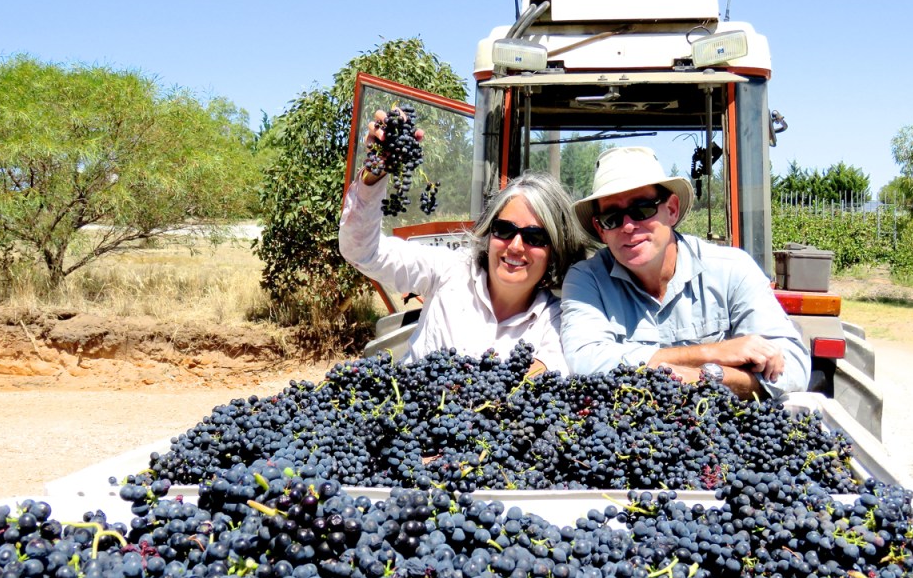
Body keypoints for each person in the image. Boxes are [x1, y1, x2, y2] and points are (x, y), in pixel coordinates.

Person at [560, 146, 810, 399]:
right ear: (600, 229)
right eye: (612, 217)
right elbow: (586, 363)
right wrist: (713, 355)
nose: (627, 226)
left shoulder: (732, 268)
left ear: (672, 210)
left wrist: (707, 376)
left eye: (642, 209)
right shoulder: (587, 280)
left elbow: (792, 367)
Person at [339, 135, 589, 374]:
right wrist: (374, 174)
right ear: (489, 232)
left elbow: (541, 383)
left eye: (535, 237)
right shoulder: (449, 270)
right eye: (504, 229)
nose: (515, 246)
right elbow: (363, 251)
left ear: (554, 250)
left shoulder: (557, 321)